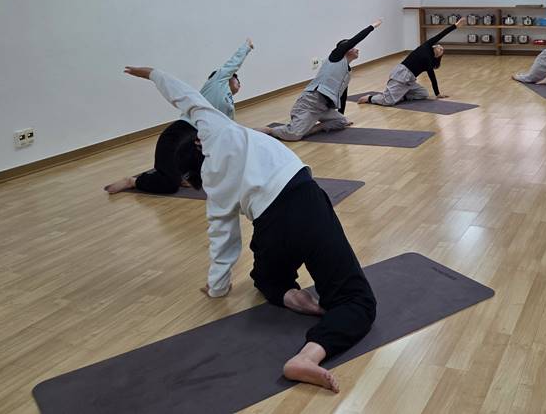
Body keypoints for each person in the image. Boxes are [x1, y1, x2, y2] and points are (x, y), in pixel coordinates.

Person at [122, 65, 376, 393]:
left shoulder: (214, 189)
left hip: (269, 227)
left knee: (266, 277)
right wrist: (153, 74)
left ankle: (287, 295)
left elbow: (223, 239)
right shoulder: (217, 128)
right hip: (305, 203)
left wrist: (217, 287)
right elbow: (184, 95)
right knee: (356, 301)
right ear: (198, 138)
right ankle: (308, 356)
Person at [104, 39, 253, 195]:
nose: (239, 82)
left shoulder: (229, 107)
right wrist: (246, 47)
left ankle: (180, 173)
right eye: (237, 78)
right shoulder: (217, 82)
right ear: (226, 77)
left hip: (197, 142)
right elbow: (233, 63)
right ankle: (133, 181)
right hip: (180, 134)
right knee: (169, 185)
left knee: (207, 172)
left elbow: (230, 133)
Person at [264, 20, 382, 141]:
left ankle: (313, 128)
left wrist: (341, 114)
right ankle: (270, 130)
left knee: (342, 122)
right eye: (353, 47)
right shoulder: (336, 57)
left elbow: (342, 95)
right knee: (293, 135)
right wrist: (372, 26)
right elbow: (354, 40)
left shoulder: (347, 72)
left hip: (324, 108)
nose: (357, 50)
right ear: (344, 49)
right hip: (310, 103)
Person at [357, 18, 463, 106]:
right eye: (439, 46)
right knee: (388, 101)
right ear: (434, 46)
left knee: (423, 94)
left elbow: (432, 77)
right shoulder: (427, 46)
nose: (440, 48)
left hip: (410, 80)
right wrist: (455, 26)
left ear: (439, 56)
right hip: (401, 74)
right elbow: (441, 34)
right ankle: (369, 98)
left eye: (442, 50)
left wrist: (437, 94)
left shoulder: (430, 63)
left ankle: (401, 96)